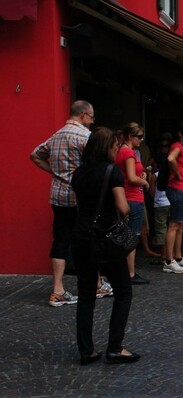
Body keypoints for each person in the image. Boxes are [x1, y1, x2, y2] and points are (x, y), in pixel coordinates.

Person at [70, 127, 139, 365]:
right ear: (107, 148)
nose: (117, 149)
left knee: (86, 295)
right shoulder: (112, 172)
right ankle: (115, 347)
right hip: (106, 239)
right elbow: (123, 207)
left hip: (81, 237)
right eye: (115, 146)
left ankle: (86, 351)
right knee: (123, 292)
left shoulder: (78, 173)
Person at [30, 100, 95, 306]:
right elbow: (95, 165)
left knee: (60, 240)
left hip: (58, 195)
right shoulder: (86, 137)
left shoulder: (56, 135)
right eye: (92, 117)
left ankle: (57, 290)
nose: (92, 122)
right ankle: (96, 284)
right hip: (80, 196)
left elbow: (35, 155)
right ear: (84, 115)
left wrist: (55, 172)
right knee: (88, 239)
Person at [115, 122, 150, 285]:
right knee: (131, 236)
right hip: (132, 197)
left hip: (126, 196)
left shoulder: (121, 150)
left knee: (125, 235)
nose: (141, 140)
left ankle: (123, 271)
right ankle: (130, 272)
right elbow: (131, 177)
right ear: (130, 136)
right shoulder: (128, 153)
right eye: (139, 137)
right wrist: (144, 183)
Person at [163, 121, 183, 274]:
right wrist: (177, 174)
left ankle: (177, 256)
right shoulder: (177, 146)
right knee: (175, 224)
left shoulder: (181, 147)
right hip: (178, 189)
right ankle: (169, 260)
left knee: (180, 224)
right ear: (181, 134)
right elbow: (170, 159)